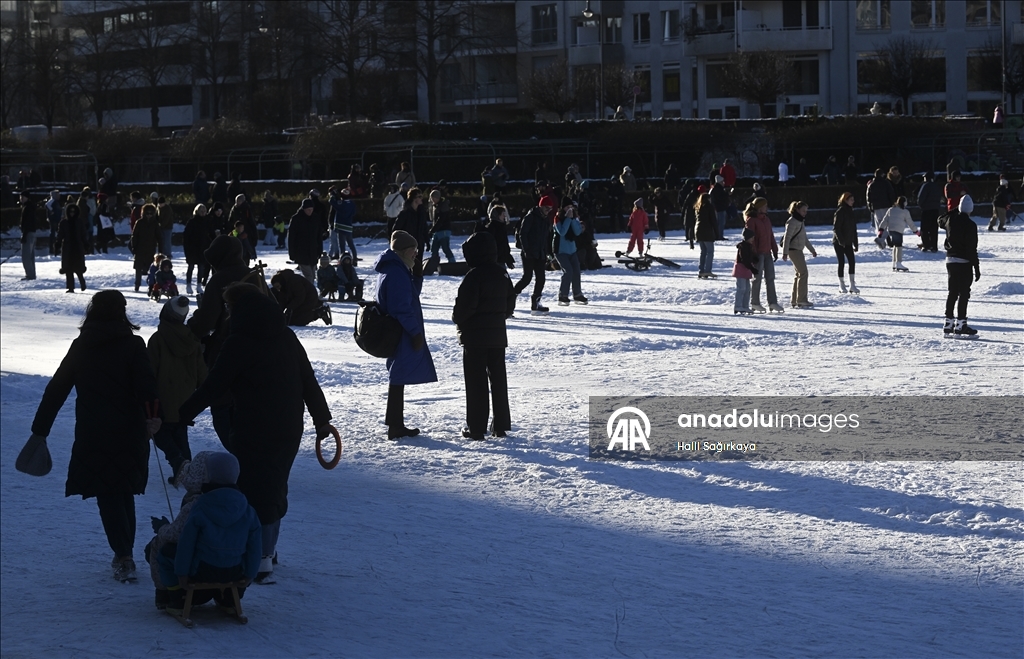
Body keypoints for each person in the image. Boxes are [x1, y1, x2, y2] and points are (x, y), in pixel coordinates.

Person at [180, 283, 332, 584]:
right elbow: (308, 380)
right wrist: (322, 420)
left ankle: (261, 555)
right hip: (289, 425)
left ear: (236, 309)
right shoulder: (287, 336)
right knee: (274, 483)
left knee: (256, 487)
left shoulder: (240, 341)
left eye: (228, 308)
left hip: (253, 425)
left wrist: (181, 415)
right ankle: (266, 549)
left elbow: (214, 385)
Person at [29, 290, 161, 582]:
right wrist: (153, 416)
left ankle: (124, 555)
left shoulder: (82, 346)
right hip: (131, 430)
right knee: (123, 490)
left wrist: (40, 430)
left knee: (109, 492)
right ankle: (124, 552)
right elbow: (147, 386)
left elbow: (57, 389)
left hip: (94, 432)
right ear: (122, 312)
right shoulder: (134, 344)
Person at [146, 451, 261, 612]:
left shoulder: (199, 507)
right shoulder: (247, 509)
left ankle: (174, 597)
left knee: (163, 551)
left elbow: (186, 544)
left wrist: (182, 574)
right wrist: (250, 574)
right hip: (235, 572)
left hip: (200, 570)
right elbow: (255, 547)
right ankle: (229, 600)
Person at [186, 235, 250, 447]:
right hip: (259, 353)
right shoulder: (251, 274)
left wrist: (190, 329)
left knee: (222, 406)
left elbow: (206, 321)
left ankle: (241, 460)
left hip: (226, 349)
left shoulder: (220, 279)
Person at [375, 231, 438, 440]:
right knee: (397, 376)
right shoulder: (395, 273)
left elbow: (410, 296)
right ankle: (395, 425)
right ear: (403, 251)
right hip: (400, 332)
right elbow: (402, 308)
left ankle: (395, 423)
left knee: (398, 377)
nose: (416, 254)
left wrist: (417, 276)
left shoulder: (396, 269)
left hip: (396, 331)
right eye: (414, 250)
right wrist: (415, 333)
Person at [452, 232, 515, 440]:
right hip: (497, 336)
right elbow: (509, 305)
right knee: (498, 381)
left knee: (476, 382)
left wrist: (459, 319)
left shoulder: (474, 276)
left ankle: (476, 427)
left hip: (475, 337)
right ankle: (500, 425)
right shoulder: (502, 273)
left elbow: (464, 309)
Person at [148, 296, 206, 481]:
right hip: (186, 397)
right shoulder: (192, 340)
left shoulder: (157, 339)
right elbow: (201, 372)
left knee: (161, 433)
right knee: (180, 433)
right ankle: (186, 471)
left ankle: (178, 462)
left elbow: (150, 370)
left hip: (163, 396)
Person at [940, 195, 981, 336]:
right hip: (964, 262)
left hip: (950, 261)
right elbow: (971, 249)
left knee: (952, 292)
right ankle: (961, 324)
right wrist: (976, 267)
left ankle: (948, 322)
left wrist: (953, 211)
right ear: (971, 209)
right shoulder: (971, 225)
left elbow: (940, 219)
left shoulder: (950, 220)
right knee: (964, 293)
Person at [512, 198, 553, 315]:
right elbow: (523, 234)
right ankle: (512, 296)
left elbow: (547, 237)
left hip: (540, 253)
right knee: (527, 278)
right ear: (541, 206)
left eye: (550, 208)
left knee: (541, 278)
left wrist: (548, 252)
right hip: (529, 253)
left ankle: (536, 302)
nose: (548, 210)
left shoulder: (546, 220)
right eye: (546, 207)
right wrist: (527, 250)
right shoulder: (530, 217)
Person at [744, 197, 782, 312]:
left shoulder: (766, 219)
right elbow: (750, 239)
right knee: (757, 278)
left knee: (770, 278)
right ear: (759, 207)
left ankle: (773, 302)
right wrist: (753, 253)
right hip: (758, 254)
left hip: (767, 252)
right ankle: (755, 302)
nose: (767, 208)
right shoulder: (751, 220)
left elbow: (770, 236)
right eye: (765, 206)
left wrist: (774, 250)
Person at [780, 201, 818, 308]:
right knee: (803, 273)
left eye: (806, 211)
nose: (805, 213)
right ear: (797, 210)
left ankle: (795, 300)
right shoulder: (792, 221)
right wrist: (785, 253)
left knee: (799, 274)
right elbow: (787, 237)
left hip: (798, 250)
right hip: (794, 250)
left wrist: (812, 250)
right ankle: (801, 299)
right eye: (803, 210)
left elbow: (804, 238)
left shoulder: (800, 221)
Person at [392, 188, 429, 294]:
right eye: (419, 196)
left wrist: (427, 241)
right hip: (407, 247)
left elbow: (424, 228)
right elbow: (396, 230)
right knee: (406, 268)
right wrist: (398, 243)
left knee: (417, 270)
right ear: (414, 199)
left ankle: (415, 292)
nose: (422, 199)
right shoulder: (405, 213)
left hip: (419, 245)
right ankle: (405, 290)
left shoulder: (421, 212)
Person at [553, 201, 588, 305]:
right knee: (568, 271)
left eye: (571, 207)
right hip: (560, 251)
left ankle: (577, 294)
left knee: (576, 271)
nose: (570, 209)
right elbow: (562, 231)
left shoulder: (574, 218)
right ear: (563, 208)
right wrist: (568, 218)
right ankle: (562, 295)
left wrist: (572, 219)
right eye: (567, 207)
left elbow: (577, 232)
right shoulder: (557, 218)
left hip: (572, 250)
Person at [56, 203, 88, 293]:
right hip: (67, 247)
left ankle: (82, 283)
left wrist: (86, 244)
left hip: (77, 247)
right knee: (68, 269)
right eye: (70, 212)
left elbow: (83, 234)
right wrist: (57, 244)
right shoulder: (63, 223)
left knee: (78, 268)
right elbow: (60, 234)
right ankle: (70, 287)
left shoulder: (79, 222)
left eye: (74, 212)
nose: (72, 213)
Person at [880, 196, 917, 272]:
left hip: (890, 230)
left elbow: (885, 220)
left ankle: (894, 263)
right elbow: (910, 222)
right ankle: (899, 263)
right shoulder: (905, 212)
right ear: (904, 203)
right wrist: (916, 231)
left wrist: (881, 229)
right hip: (898, 230)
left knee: (895, 246)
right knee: (899, 246)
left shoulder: (891, 209)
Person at [288, 199, 321, 282]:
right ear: (303, 209)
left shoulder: (315, 218)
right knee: (309, 276)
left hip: (313, 251)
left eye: (311, 209)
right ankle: (310, 294)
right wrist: (292, 253)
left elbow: (318, 236)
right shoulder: (296, 219)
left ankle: (309, 293)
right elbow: (291, 237)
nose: (310, 211)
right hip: (301, 252)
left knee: (312, 276)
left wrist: (319, 250)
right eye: (308, 209)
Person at [833, 192, 860, 294]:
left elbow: (853, 229)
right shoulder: (840, 211)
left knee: (852, 262)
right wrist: (841, 241)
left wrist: (855, 243)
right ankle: (841, 285)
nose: (853, 202)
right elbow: (836, 228)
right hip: (839, 242)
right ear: (845, 200)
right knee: (841, 263)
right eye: (851, 200)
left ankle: (852, 285)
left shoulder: (851, 212)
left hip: (848, 242)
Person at [183, 205, 212, 296]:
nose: (203, 212)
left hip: (203, 248)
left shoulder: (207, 221)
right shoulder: (191, 222)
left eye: (204, 210)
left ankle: (199, 285)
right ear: (197, 211)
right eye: (201, 210)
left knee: (201, 267)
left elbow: (210, 234)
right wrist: (187, 248)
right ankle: (188, 284)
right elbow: (186, 236)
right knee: (191, 267)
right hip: (192, 248)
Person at [131, 204, 160, 292]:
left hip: (151, 248)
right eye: (147, 213)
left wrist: (161, 249)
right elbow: (134, 235)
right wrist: (134, 247)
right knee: (138, 268)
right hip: (140, 248)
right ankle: (137, 284)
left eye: (151, 213)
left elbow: (159, 236)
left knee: (151, 269)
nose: (149, 215)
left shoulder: (155, 223)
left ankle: (151, 285)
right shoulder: (139, 222)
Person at [866, 168, 896, 246]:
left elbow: (868, 197)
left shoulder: (871, 184)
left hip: (876, 208)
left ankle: (883, 241)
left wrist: (870, 207)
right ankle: (881, 239)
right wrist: (893, 203)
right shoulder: (886, 183)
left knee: (879, 225)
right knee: (887, 224)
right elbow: (891, 194)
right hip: (886, 206)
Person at [732, 228, 758, 314]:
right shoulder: (742, 246)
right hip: (741, 269)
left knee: (747, 289)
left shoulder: (749, 246)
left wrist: (754, 259)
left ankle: (745, 306)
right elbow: (744, 259)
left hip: (746, 269)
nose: (753, 240)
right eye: (751, 238)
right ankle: (738, 306)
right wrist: (752, 268)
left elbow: (749, 257)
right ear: (747, 238)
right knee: (741, 288)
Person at [328, 187, 358, 261]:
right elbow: (354, 212)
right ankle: (354, 258)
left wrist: (333, 195)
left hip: (341, 226)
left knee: (342, 245)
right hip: (349, 226)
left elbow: (331, 201)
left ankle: (343, 259)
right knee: (351, 244)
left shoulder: (341, 203)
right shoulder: (352, 203)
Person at [916, 172, 943, 252]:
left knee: (924, 229)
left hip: (926, 210)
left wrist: (921, 206)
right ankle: (934, 246)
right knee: (934, 229)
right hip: (935, 210)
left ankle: (926, 245)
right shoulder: (936, 186)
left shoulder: (925, 186)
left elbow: (920, 198)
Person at [694, 192, 718, 278]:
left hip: (698, 230)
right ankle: (707, 271)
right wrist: (717, 232)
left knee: (703, 252)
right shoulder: (709, 207)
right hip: (707, 231)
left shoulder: (698, 207)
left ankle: (701, 270)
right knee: (710, 252)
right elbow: (713, 220)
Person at [427, 189, 455, 264]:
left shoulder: (443, 205)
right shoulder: (435, 206)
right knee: (434, 248)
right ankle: (433, 263)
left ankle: (453, 263)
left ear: (438, 197)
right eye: (431, 197)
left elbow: (441, 219)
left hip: (444, 230)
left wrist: (432, 230)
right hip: (437, 230)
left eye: (434, 197)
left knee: (445, 248)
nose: (432, 199)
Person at [484, 204, 515, 271]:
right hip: (495, 260)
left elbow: (504, 246)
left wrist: (508, 260)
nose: (504, 216)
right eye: (502, 214)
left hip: (500, 259)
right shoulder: (492, 228)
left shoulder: (501, 227)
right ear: (497, 215)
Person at [19, 191, 37, 281]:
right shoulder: (30, 207)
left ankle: (30, 275)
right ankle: (32, 274)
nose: (21, 198)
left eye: (23, 197)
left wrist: (24, 235)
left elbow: (27, 223)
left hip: (28, 232)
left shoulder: (27, 208)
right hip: (31, 232)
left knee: (26, 256)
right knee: (30, 255)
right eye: (21, 197)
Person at [710, 175, 731, 240]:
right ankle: (719, 236)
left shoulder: (715, 189)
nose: (723, 183)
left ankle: (718, 235)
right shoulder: (719, 189)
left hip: (718, 208)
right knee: (720, 223)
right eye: (722, 181)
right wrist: (727, 194)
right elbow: (721, 198)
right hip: (720, 208)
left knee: (719, 222)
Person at [45, 189, 62, 256]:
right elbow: (47, 205)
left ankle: (56, 249)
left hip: (57, 220)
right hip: (54, 221)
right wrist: (51, 214)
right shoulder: (52, 201)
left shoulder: (55, 202)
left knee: (56, 235)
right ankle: (52, 249)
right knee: (53, 235)